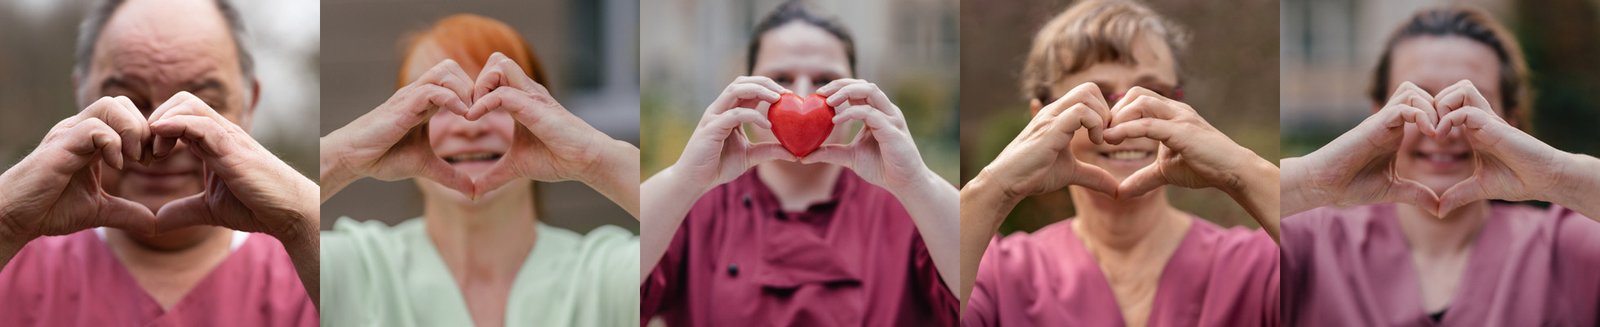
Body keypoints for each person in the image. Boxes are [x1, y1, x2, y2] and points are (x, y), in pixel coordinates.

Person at [959, 1, 1280, 326]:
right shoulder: (997, 276)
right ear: (1040, 121)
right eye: (1094, 96)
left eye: (1153, 93)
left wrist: (1241, 172)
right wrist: (995, 187)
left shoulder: (1258, 267)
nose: (1128, 117)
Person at [639, 1, 960, 325]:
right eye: (780, 79)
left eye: (824, 80)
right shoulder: (695, 208)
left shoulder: (908, 208)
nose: (803, 94)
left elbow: (978, 294)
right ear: (745, 91)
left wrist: (917, 182)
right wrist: (685, 179)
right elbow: (625, 290)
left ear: (858, 92)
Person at [0, 0, 319, 325]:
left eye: (203, 105)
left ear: (249, 104)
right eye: (130, 102)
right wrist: (6, 220)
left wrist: (303, 222)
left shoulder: (310, 273)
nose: (162, 136)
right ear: (81, 97)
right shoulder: (13, 264)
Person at [1278, 6, 1600, 326]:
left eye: (1470, 105)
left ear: (1510, 123)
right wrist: (1311, 182)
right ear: (1377, 116)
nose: (1443, 130)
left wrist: (1558, 175)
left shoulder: (1565, 247)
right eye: (1416, 102)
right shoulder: (1310, 241)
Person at [317, 14, 640, 327]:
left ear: (543, 121)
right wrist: (345, 156)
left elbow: (688, 244)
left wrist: (594, 157)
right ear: (399, 129)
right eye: (437, 103)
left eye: (498, 100)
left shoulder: (604, 275)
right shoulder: (350, 269)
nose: (469, 128)